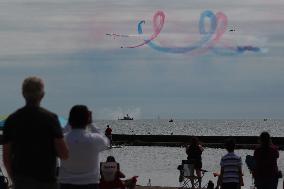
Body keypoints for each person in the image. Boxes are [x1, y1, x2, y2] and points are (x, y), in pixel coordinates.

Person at [2, 76, 69, 189]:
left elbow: (6, 156)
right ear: (42, 95)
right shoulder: (51, 119)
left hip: (21, 180)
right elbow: (64, 154)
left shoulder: (12, 120)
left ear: (23, 94)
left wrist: (13, 179)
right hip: (47, 180)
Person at [59, 105, 109, 189]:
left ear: (70, 120)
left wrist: (69, 123)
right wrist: (91, 124)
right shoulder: (95, 139)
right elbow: (105, 142)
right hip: (90, 183)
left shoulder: (63, 139)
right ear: (87, 120)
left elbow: (59, 135)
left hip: (66, 183)